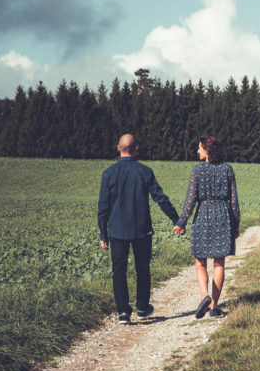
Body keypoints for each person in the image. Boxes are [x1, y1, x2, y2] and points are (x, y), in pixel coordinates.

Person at [98, 134, 180, 324]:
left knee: (119, 270)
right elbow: (160, 198)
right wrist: (176, 219)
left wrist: (103, 233)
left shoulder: (108, 173)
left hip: (117, 231)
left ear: (119, 148)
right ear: (136, 149)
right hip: (142, 230)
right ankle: (142, 307)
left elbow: (103, 206)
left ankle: (123, 312)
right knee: (142, 268)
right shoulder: (145, 171)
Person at [173, 135, 240, 319]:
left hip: (203, 215)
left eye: (200, 148)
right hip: (222, 215)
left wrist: (181, 223)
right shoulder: (228, 169)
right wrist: (236, 224)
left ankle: (204, 296)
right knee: (219, 262)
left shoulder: (197, 170)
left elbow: (190, 199)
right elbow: (233, 200)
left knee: (200, 261)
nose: (197, 151)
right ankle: (214, 307)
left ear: (207, 150)